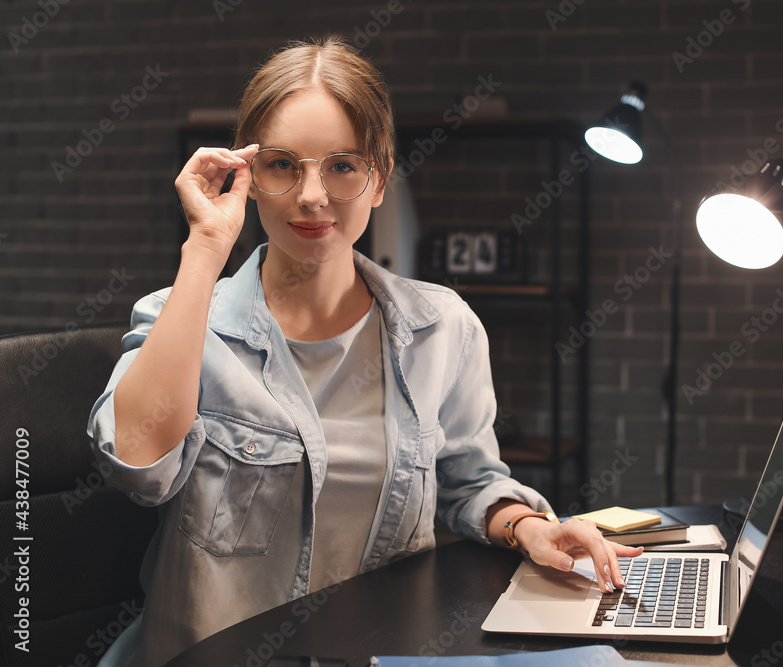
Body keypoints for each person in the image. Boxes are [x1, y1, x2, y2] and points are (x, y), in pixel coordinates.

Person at [87, 34, 641, 666]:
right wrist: (205, 249)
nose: (312, 195)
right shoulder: (178, 317)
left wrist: (528, 526)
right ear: (247, 175)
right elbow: (137, 467)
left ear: (379, 180)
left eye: (343, 166)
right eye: (282, 165)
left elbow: (467, 481)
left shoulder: (444, 329)